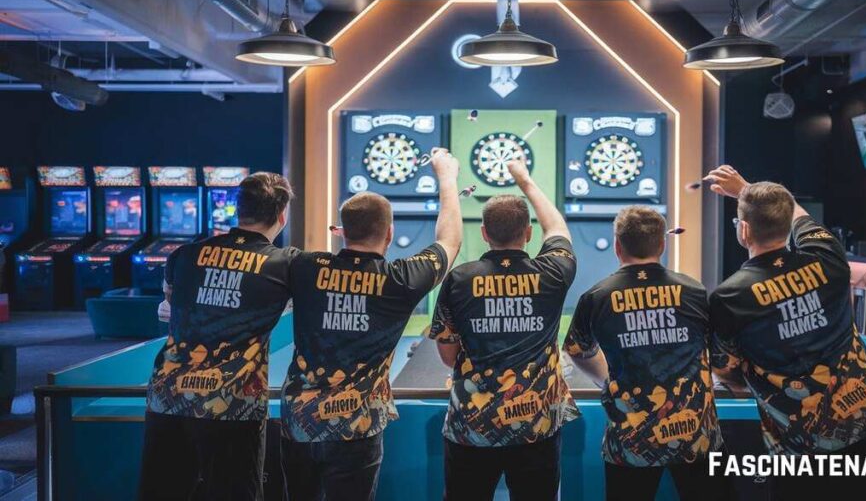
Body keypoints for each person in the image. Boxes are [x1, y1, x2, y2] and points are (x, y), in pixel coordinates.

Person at [704, 165, 866, 501]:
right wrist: (746, 189)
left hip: (798, 447)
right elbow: (798, 214)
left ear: (744, 231)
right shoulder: (828, 257)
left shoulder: (729, 296)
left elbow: (724, 368)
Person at [279, 148, 462, 500]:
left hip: (298, 421)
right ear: (389, 233)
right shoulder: (401, 279)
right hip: (356, 428)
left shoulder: (305, 266)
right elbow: (450, 240)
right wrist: (447, 177)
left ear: (341, 232)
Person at [139, 172, 297, 500]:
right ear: (282, 215)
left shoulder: (183, 255)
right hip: (233, 405)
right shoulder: (285, 264)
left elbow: (169, 305)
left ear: (238, 210)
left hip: (169, 397)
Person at [429, 159, 578, 501]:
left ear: (484, 233)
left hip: (472, 426)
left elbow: (448, 354)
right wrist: (524, 180)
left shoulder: (459, 279)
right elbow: (557, 229)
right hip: (536, 426)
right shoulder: (553, 272)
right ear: (528, 232)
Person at [563, 205, 734, 501]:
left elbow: (577, 350)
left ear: (617, 246)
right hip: (696, 436)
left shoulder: (597, 297)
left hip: (631, 440)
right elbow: (722, 354)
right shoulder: (694, 291)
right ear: (662, 245)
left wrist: (606, 380)